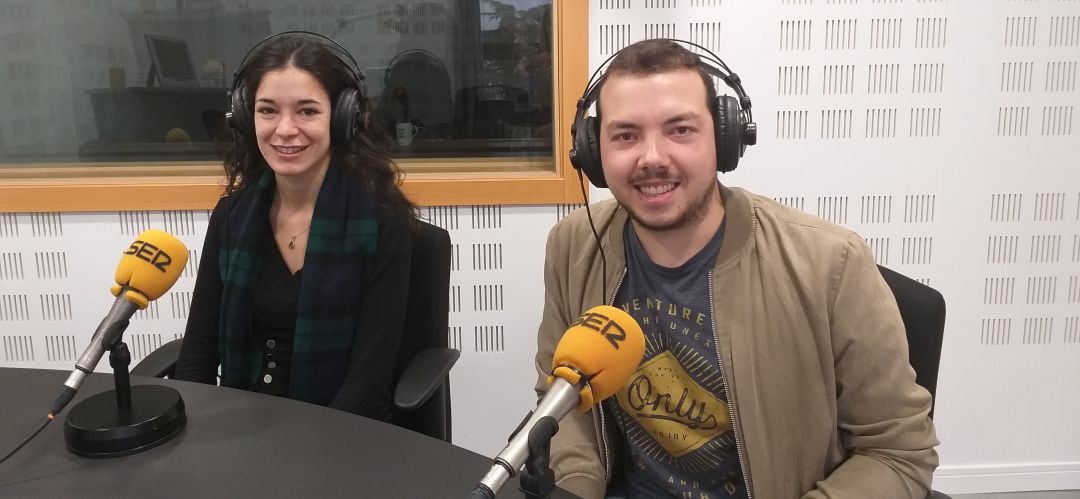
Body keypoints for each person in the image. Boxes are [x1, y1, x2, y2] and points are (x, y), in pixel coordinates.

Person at [534, 39, 939, 498]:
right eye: (625, 135)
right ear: (592, 153)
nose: (651, 157)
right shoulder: (573, 246)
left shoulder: (831, 263)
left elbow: (898, 452)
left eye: (680, 130)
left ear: (724, 139)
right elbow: (563, 400)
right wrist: (576, 489)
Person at [173, 33, 416, 420]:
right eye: (267, 110)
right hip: (239, 426)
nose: (285, 129)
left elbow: (367, 384)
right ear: (243, 115)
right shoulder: (232, 217)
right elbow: (198, 354)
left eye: (307, 111)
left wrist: (305, 452)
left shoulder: (383, 224)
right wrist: (196, 439)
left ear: (343, 117)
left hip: (341, 435)